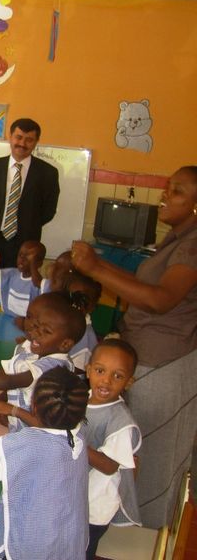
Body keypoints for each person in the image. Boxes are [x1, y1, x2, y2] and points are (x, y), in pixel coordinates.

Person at [71, 165, 197, 528]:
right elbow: (143, 285)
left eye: (176, 191)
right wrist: (97, 265)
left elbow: (160, 299)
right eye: (167, 187)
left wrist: (96, 269)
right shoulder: (177, 239)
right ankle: (123, 521)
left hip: (165, 364)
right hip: (148, 357)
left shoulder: (193, 245)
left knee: (153, 454)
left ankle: (149, 534)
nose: (164, 196)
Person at [0, 339, 142, 560]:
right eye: (100, 371)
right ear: (88, 369)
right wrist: (15, 411)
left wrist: (72, 441)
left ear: (129, 382)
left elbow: (109, 466)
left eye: (117, 376)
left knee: (80, 548)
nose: (106, 380)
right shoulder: (81, 397)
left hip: (94, 506)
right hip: (72, 494)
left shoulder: (121, 423)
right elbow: (55, 425)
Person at [0, 366, 90, 560]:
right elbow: (48, 429)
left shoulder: (31, 442)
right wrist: (16, 411)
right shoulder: (77, 437)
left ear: (34, 406)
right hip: (67, 536)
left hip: (35, 544)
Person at [0, 292, 84, 432]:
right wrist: (1, 401)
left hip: (37, 434)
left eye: (46, 331)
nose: (35, 332)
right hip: (21, 424)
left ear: (65, 344)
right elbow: (15, 382)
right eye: (37, 325)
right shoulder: (39, 349)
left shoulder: (53, 367)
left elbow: (9, 380)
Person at [0, 118, 59, 268]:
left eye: (29, 140)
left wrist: (28, 224)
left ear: (36, 142)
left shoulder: (48, 173)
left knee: (21, 282)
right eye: (18, 137)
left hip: (26, 244)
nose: (22, 143)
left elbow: (48, 211)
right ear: (10, 136)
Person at [0, 240, 46, 317]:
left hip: (26, 323)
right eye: (20, 255)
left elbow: (38, 284)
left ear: (39, 263)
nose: (22, 259)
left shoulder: (39, 283)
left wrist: (33, 267)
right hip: (7, 318)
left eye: (28, 257)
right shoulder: (12, 274)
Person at [67, 272, 102, 370]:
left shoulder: (85, 341)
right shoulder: (63, 324)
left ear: (92, 307)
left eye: (84, 300)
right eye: (73, 298)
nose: (77, 305)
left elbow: (77, 374)